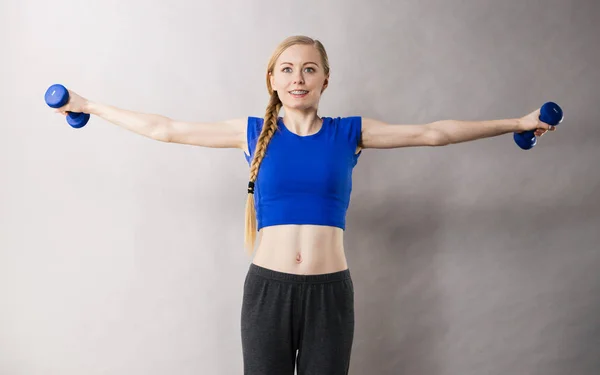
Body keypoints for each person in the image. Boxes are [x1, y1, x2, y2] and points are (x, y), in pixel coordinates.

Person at [52, 35, 556, 375]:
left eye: (309, 69)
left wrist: (517, 123)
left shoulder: (348, 133)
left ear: (324, 81)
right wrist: (89, 106)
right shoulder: (251, 134)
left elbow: (433, 133)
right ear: (273, 79)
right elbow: (166, 129)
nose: (298, 77)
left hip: (329, 296)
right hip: (267, 292)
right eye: (287, 69)